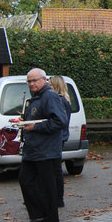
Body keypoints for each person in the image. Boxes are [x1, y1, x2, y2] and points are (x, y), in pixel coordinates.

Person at [17, 68, 67, 222]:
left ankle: (52, 221)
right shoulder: (35, 98)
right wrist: (24, 121)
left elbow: (60, 121)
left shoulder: (50, 96)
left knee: (47, 187)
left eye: (34, 81)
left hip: (46, 151)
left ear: (44, 80)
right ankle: (38, 216)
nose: (31, 84)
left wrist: (35, 126)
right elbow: (39, 117)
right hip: (33, 150)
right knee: (26, 181)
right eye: (29, 81)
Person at [49, 76, 72, 207]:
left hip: (58, 137)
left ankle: (58, 198)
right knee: (55, 168)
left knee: (56, 168)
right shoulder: (63, 100)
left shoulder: (60, 101)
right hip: (61, 136)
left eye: (50, 85)